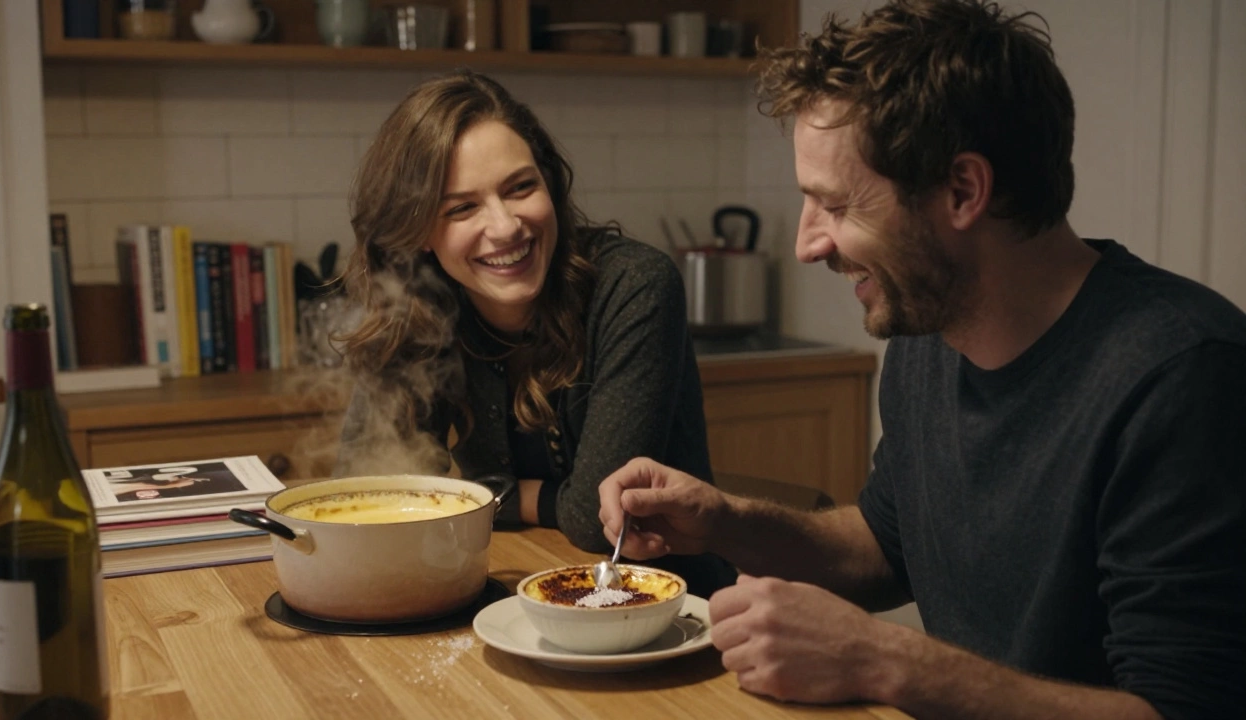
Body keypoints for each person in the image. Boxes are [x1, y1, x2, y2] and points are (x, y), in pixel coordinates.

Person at [597, 1, 1246, 718]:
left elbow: (1182, 710)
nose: (807, 245)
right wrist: (724, 521)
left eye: (836, 206)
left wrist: (883, 660)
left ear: (963, 191)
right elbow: (884, 547)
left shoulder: (1186, 375)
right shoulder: (929, 332)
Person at [334, 70, 736, 597]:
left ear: (549, 182)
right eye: (462, 208)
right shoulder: (422, 304)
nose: (505, 227)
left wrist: (477, 495)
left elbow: (596, 519)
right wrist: (534, 498)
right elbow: (369, 491)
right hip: (512, 587)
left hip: (670, 603)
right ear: (420, 231)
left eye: (520, 187)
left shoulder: (636, 284)